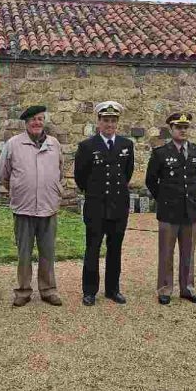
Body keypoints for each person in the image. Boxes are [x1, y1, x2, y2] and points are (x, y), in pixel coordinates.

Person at [0, 105, 63, 307]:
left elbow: (60, 171)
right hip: (23, 208)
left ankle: (48, 289)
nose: (37, 123)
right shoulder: (14, 144)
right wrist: (18, 188)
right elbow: (2, 174)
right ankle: (23, 290)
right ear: (26, 123)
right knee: (24, 253)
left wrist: (54, 190)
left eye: (40, 119)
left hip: (48, 207)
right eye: (33, 119)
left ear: (44, 121)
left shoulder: (54, 144)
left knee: (48, 252)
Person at [73, 101, 134, 306]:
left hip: (118, 207)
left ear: (117, 122)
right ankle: (90, 291)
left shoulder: (126, 145)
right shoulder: (87, 146)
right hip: (96, 207)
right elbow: (80, 177)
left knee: (115, 249)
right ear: (98, 122)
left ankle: (112, 289)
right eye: (106, 120)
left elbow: (127, 173)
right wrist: (94, 193)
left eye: (113, 120)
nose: (110, 124)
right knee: (92, 248)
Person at [145, 112, 196, 305]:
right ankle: (165, 288)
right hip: (169, 211)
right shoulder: (161, 153)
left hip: (191, 211)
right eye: (178, 127)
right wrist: (164, 199)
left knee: (189, 252)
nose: (182, 130)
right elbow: (151, 181)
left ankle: (187, 288)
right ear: (171, 129)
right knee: (166, 252)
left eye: (185, 127)